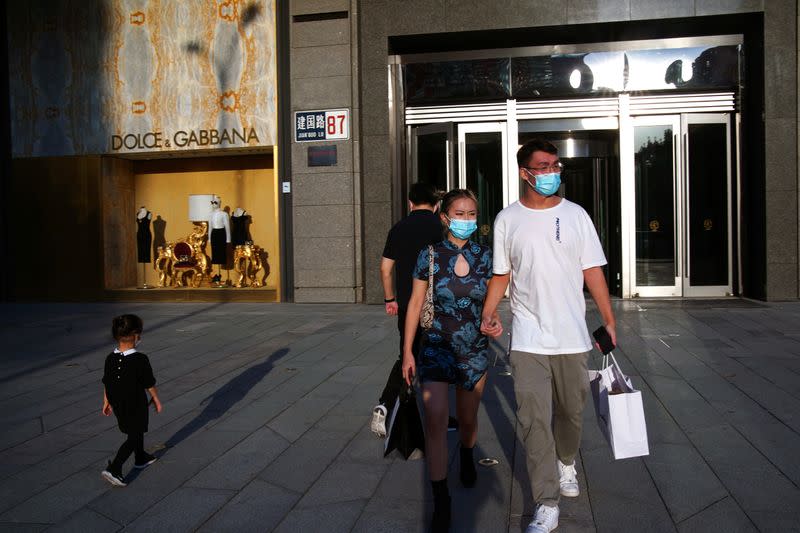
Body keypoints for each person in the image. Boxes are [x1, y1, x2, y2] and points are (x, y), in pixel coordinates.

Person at [480, 139, 616, 533]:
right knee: (533, 419)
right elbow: (501, 274)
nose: (552, 172)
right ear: (525, 173)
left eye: (556, 165)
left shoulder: (576, 216)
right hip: (527, 339)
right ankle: (546, 499)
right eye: (544, 166)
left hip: (572, 336)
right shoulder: (508, 219)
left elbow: (592, 270)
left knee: (571, 414)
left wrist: (609, 319)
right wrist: (488, 313)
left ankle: (567, 461)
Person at [402, 189, 503, 532]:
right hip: (435, 345)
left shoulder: (486, 257)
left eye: (472, 213)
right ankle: (441, 497)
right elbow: (415, 305)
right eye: (459, 213)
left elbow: (493, 301)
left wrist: (492, 320)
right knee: (434, 418)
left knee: (469, 420)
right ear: (445, 217)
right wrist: (406, 354)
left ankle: (467, 452)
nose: (466, 220)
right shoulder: (428, 255)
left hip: (473, 348)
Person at [371, 182, 443, 437]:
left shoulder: (398, 228)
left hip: (406, 304)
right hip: (436, 305)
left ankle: (385, 404)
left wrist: (390, 298)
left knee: (407, 353)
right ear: (436, 205)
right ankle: (436, 414)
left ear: (410, 203)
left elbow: (384, 268)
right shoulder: (439, 227)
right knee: (436, 357)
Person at [101, 314, 163, 487]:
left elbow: (107, 381)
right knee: (135, 434)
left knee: (134, 429)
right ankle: (115, 468)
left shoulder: (110, 358)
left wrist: (106, 401)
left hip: (117, 402)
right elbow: (148, 383)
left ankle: (140, 457)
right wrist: (156, 399)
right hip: (135, 402)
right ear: (136, 335)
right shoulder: (140, 359)